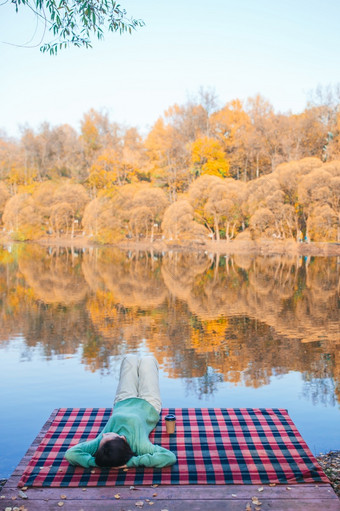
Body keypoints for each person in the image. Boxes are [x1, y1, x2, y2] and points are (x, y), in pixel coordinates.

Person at [64, 354, 176, 469]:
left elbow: (71, 454)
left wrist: (98, 463)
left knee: (129, 358)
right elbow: (169, 457)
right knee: (149, 360)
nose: (103, 434)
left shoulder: (101, 443)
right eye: (108, 436)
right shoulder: (140, 445)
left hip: (124, 399)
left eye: (103, 438)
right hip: (149, 403)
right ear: (122, 439)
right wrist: (132, 462)